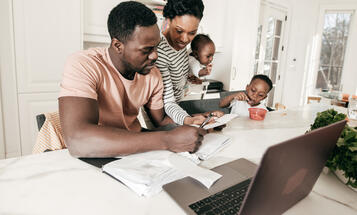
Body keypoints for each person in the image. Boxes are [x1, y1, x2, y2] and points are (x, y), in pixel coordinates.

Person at [58, 1, 206, 158]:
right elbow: (77, 141)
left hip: (133, 155)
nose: (155, 55)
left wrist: (192, 123)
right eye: (146, 50)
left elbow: (161, 120)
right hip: (93, 156)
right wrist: (167, 140)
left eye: (156, 47)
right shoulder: (85, 64)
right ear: (117, 46)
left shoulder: (153, 74)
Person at [156, 0, 223, 126]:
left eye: (192, 33)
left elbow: (180, 72)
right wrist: (190, 120)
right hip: (164, 119)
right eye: (179, 31)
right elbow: (168, 103)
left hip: (177, 111)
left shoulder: (180, 47)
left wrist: (190, 77)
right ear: (168, 20)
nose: (185, 39)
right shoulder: (160, 53)